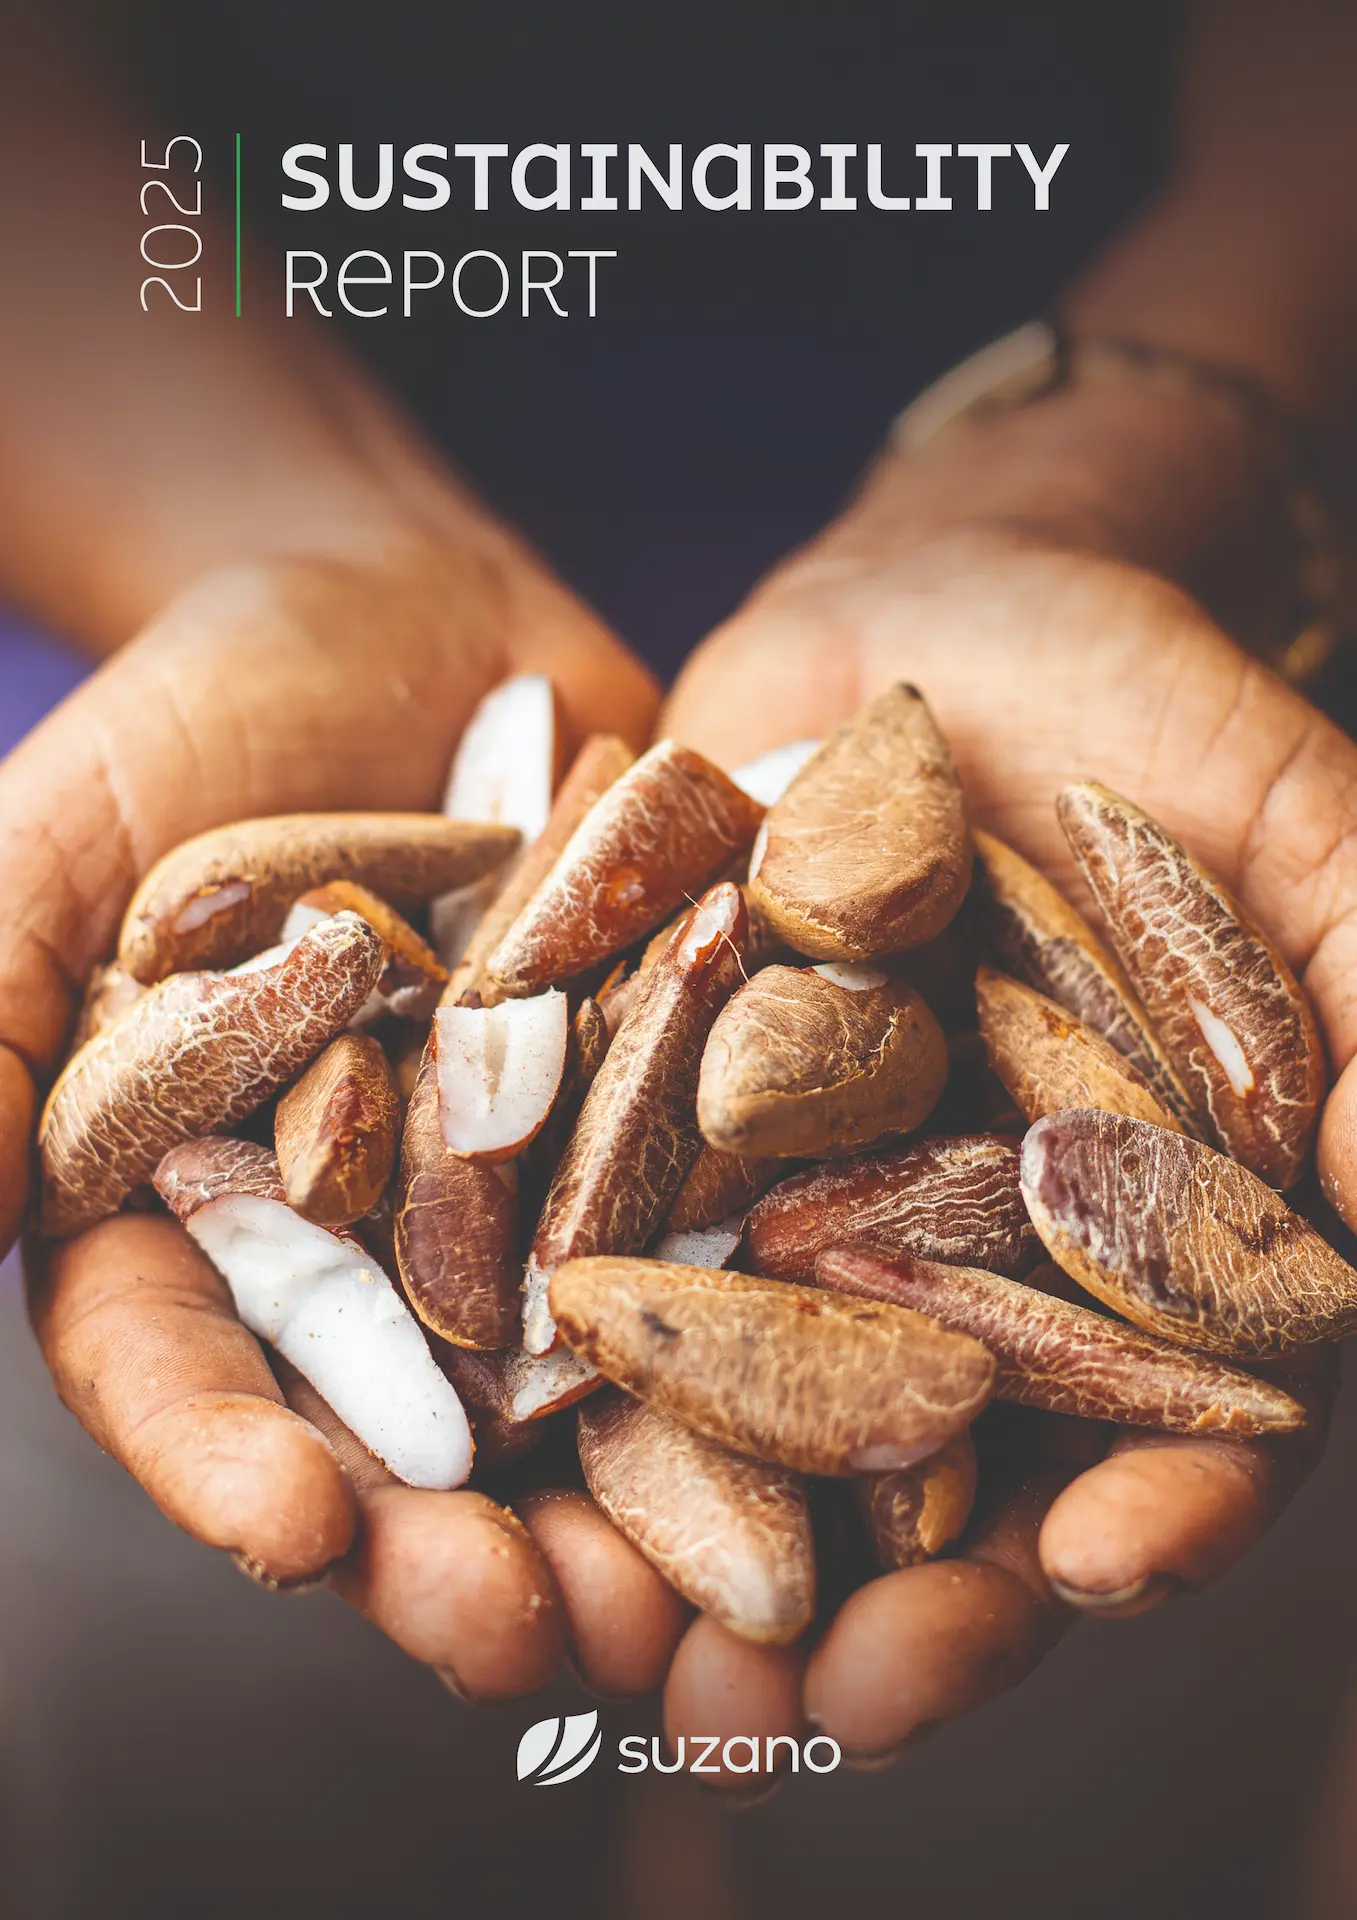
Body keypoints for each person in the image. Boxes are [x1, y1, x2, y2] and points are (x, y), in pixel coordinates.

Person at [0, 0, 1355, 1804]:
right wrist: (258, 526)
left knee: (1061, 1798)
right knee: (255, 1779)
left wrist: (1137, 438)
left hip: (1180, 534)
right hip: (158, 495)